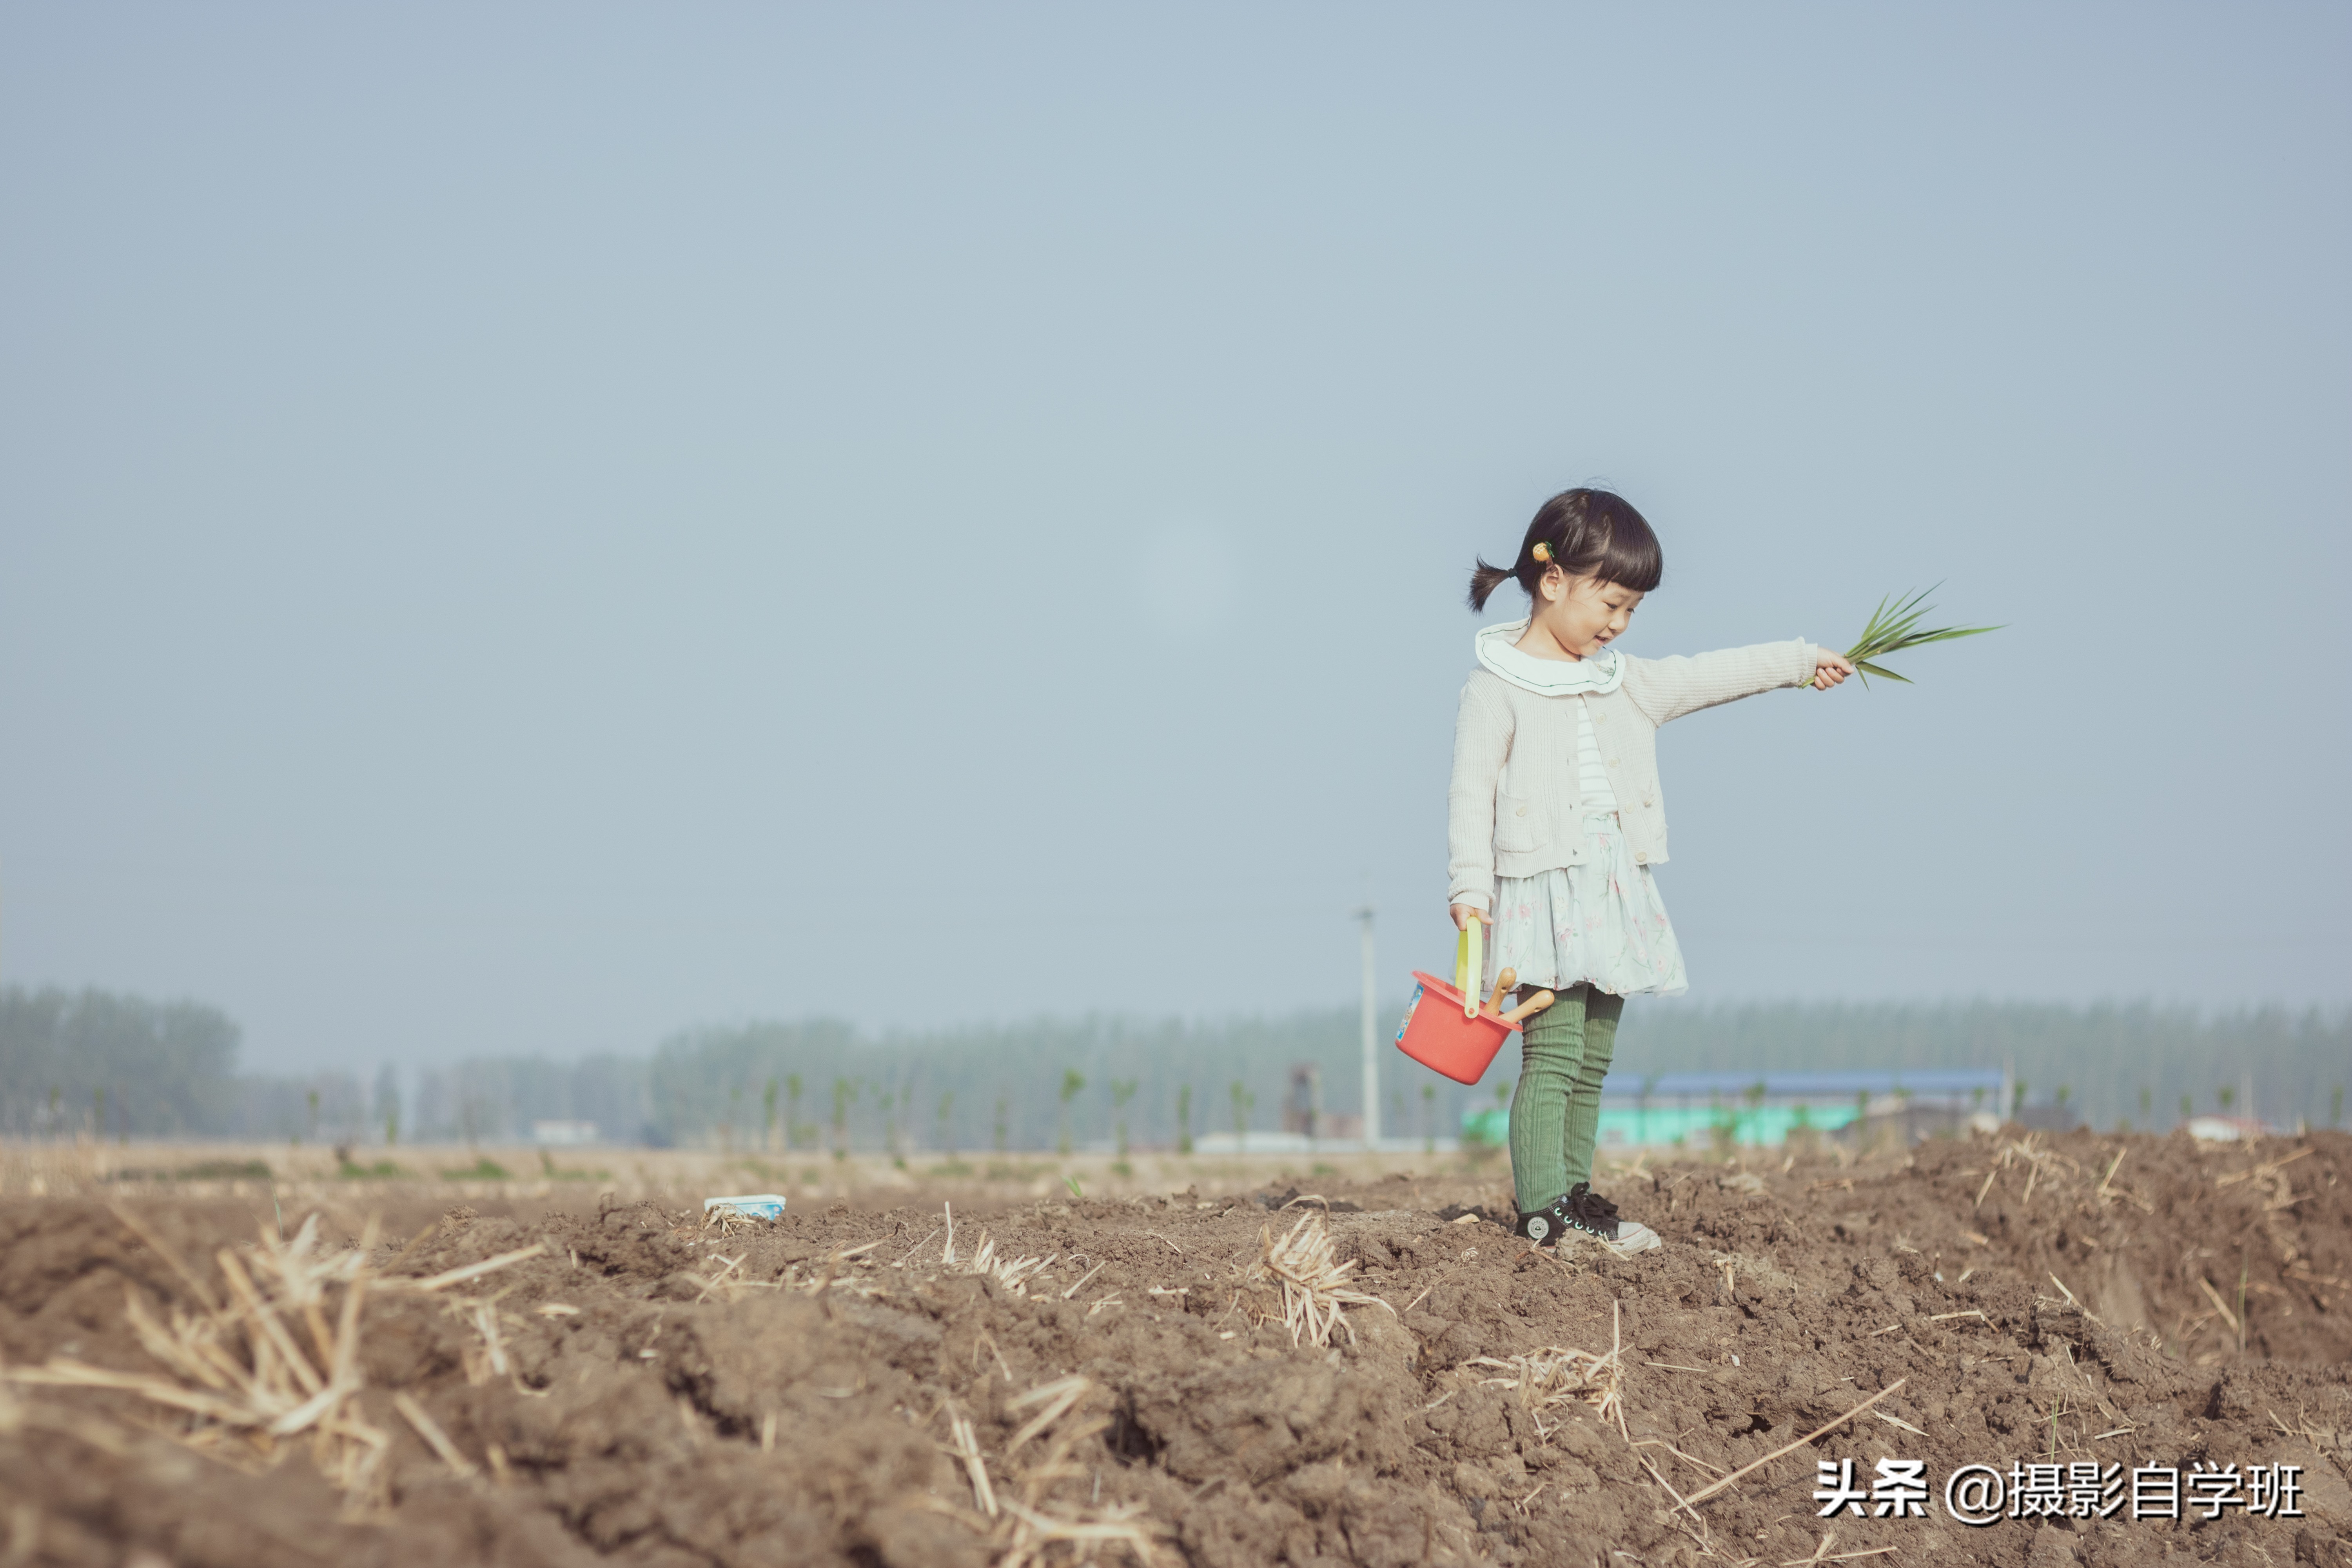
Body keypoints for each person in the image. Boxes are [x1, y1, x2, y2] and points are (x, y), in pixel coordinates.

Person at [1448, 488, 1853, 1250]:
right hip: (1542, 888)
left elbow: (1712, 673)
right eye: (1610, 602)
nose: (1618, 624)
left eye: (1632, 610)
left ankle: (1573, 1195)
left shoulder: (1623, 681)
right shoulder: (1496, 685)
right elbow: (1471, 793)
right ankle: (1542, 1208)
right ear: (1554, 580)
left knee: (1595, 1055)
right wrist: (1470, 890)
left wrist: (1801, 662)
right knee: (1556, 1050)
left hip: (1610, 887)